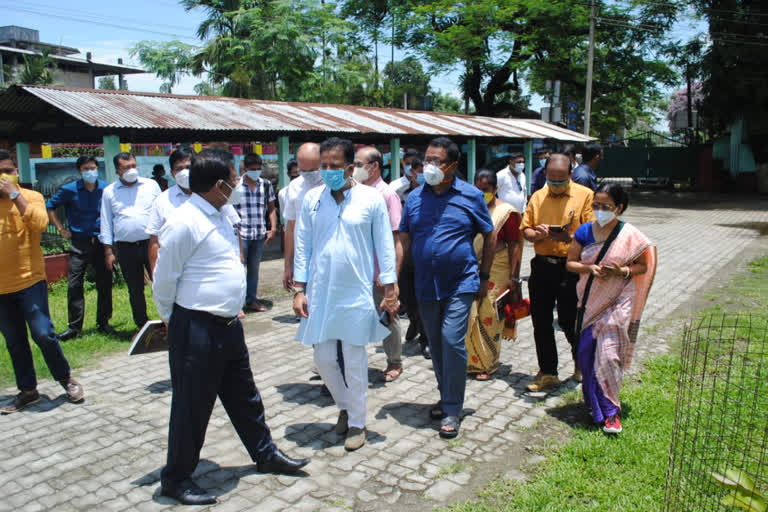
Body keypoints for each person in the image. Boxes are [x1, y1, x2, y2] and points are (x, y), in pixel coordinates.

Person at [153, 150, 309, 506]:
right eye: (235, 178)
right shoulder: (184, 222)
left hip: (228, 325)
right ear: (220, 185)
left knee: (245, 396)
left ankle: (265, 454)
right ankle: (176, 479)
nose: (240, 183)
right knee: (192, 406)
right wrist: (170, 317)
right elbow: (164, 279)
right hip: (195, 327)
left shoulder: (223, 211)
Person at [293, 137, 399, 451]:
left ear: (350, 167)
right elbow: (303, 246)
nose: (327, 172)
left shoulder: (370, 199)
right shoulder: (313, 199)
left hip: (355, 292)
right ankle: (345, 406)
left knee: (354, 361)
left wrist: (390, 287)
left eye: (334, 167)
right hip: (321, 291)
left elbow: (384, 244)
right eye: (323, 166)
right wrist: (299, 289)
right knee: (323, 358)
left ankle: (357, 423)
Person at [399, 137, 495, 439]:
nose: (429, 166)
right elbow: (403, 238)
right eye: (427, 159)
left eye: (437, 161)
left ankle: (453, 408)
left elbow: (489, 234)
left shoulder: (470, 196)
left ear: (452, 165)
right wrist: (393, 278)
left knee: (452, 340)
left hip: (461, 281)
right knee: (436, 345)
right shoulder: (414, 198)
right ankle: (446, 395)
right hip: (425, 284)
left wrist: (484, 274)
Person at [566, 183, 656, 434]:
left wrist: (621, 271)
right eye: (596, 205)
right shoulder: (584, 232)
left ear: (619, 207)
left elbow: (642, 266)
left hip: (618, 303)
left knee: (608, 356)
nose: (599, 210)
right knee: (585, 356)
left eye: (606, 207)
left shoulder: (630, 235)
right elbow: (570, 264)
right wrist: (589, 269)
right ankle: (594, 408)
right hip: (590, 303)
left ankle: (610, 413)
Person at [0, 150, 84, 414]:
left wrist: (15, 195)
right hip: (1, 289)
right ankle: (28, 391)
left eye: (10, 171)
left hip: (29, 281)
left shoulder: (31, 197)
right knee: (14, 341)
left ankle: (66, 379)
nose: (7, 177)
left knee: (43, 334)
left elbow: (39, 224)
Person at [521, 153, 595, 392]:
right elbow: (526, 230)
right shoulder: (538, 197)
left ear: (570, 175)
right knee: (540, 320)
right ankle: (548, 371)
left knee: (569, 320)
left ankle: (581, 362)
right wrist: (538, 234)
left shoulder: (585, 196)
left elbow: (593, 235)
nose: (555, 183)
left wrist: (570, 237)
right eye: (550, 178)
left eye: (560, 178)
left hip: (570, 268)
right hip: (542, 265)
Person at [46, 155, 115, 341]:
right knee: (75, 284)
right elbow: (50, 206)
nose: (90, 171)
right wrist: (61, 229)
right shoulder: (69, 190)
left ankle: (104, 322)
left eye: (92, 168)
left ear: (97, 168)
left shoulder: (106, 188)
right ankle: (74, 327)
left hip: (101, 241)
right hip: (79, 242)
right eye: (85, 169)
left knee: (105, 282)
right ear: (79, 171)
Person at [465, 169, 522, 380]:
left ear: (495, 189)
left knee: (489, 312)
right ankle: (472, 360)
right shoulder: (469, 208)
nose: (482, 194)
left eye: (486, 190)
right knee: (470, 312)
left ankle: (488, 363)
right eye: (478, 189)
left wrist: (514, 277)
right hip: (472, 266)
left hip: (498, 267)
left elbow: (515, 245)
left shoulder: (507, 213)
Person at [353, 145, 405, 382]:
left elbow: (397, 241)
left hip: (378, 273)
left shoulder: (386, 195)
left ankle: (394, 361)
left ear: (374, 167)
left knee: (388, 316)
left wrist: (390, 277)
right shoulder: (354, 191)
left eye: (358, 164)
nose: (353, 169)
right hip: (357, 270)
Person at [100, 152, 161, 329]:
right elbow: (106, 222)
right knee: (135, 289)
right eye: (126, 167)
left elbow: (162, 213)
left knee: (161, 283)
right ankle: (142, 325)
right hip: (126, 248)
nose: (131, 170)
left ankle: (170, 320)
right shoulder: (109, 192)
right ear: (118, 171)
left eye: (133, 165)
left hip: (152, 244)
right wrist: (108, 252)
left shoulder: (151, 185)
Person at [234, 153, 277, 312]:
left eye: (259, 169)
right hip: (241, 236)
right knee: (238, 270)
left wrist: (273, 228)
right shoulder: (236, 185)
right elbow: (229, 212)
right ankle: (237, 305)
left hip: (258, 235)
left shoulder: (265, 185)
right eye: (253, 169)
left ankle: (251, 300)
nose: (256, 172)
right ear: (245, 169)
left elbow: (272, 208)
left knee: (254, 270)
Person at [282, 143, 323, 291]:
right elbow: (290, 228)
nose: (308, 174)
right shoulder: (294, 187)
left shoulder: (333, 185)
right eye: (303, 170)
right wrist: (288, 266)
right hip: (302, 259)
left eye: (313, 170)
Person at [146, 148, 194, 271]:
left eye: (189, 167)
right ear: (172, 173)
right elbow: (154, 241)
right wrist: (155, 276)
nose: (184, 172)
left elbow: (233, 229)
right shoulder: (162, 201)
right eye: (179, 168)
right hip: (174, 268)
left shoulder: (212, 196)